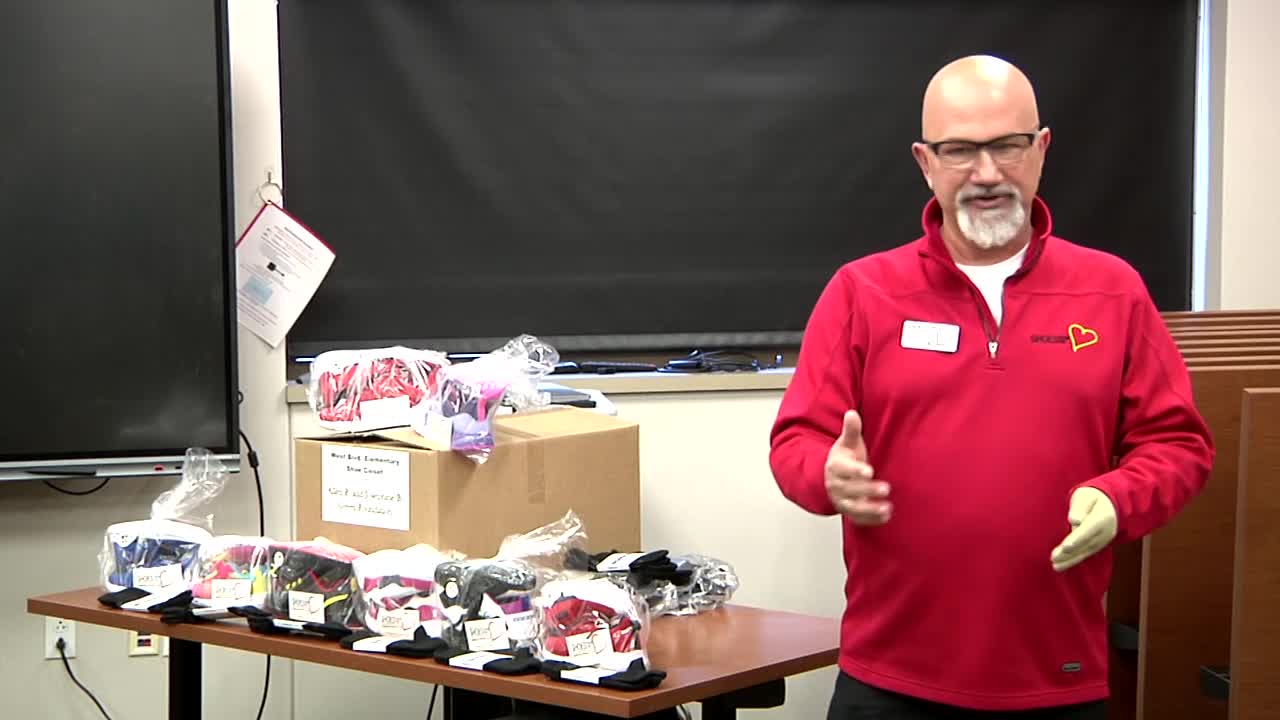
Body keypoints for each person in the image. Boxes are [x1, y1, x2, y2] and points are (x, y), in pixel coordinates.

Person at [768, 54, 1214, 719]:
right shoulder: (862, 292)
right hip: (890, 680)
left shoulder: (1112, 291)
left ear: (1041, 150)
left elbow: (1179, 445)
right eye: (959, 151)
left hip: (1058, 679)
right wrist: (824, 475)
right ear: (925, 161)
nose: (985, 174)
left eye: (1006, 147)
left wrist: (1121, 497)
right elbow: (797, 440)